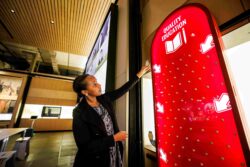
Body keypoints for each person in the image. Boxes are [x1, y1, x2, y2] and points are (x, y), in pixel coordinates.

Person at [72, 65, 150, 167]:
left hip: (114, 149)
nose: (99, 85)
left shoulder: (103, 99)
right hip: (98, 158)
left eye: (97, 82)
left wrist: (140, 74)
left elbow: (122, 90)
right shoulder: (79, 113)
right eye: (94, 84)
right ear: (85, 92)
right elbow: (85, 146)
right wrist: (113, 138)